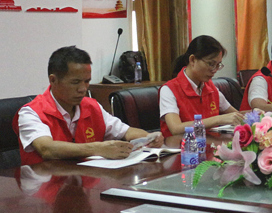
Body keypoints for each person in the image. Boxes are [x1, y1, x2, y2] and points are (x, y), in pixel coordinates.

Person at [14, 46, 162, 165]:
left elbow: (126, 132)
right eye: (75, 82)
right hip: (46, 187)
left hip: (86, 183)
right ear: (53, 80)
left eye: (87, 81)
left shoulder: (92, 106)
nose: (83, 89)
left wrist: (149, 137)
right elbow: (47, 149)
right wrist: (98, 148)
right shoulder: (31, 113)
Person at [159, 35, 244, 136]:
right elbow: (176, 128)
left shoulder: (211, 88)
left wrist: (255, 114)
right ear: (192, 60)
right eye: (211, 64)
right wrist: (218, 119)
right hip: (183, 145)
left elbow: (235, 115)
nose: (214, 70)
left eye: (218, 65)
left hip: (211, 144)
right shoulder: (169, 90)